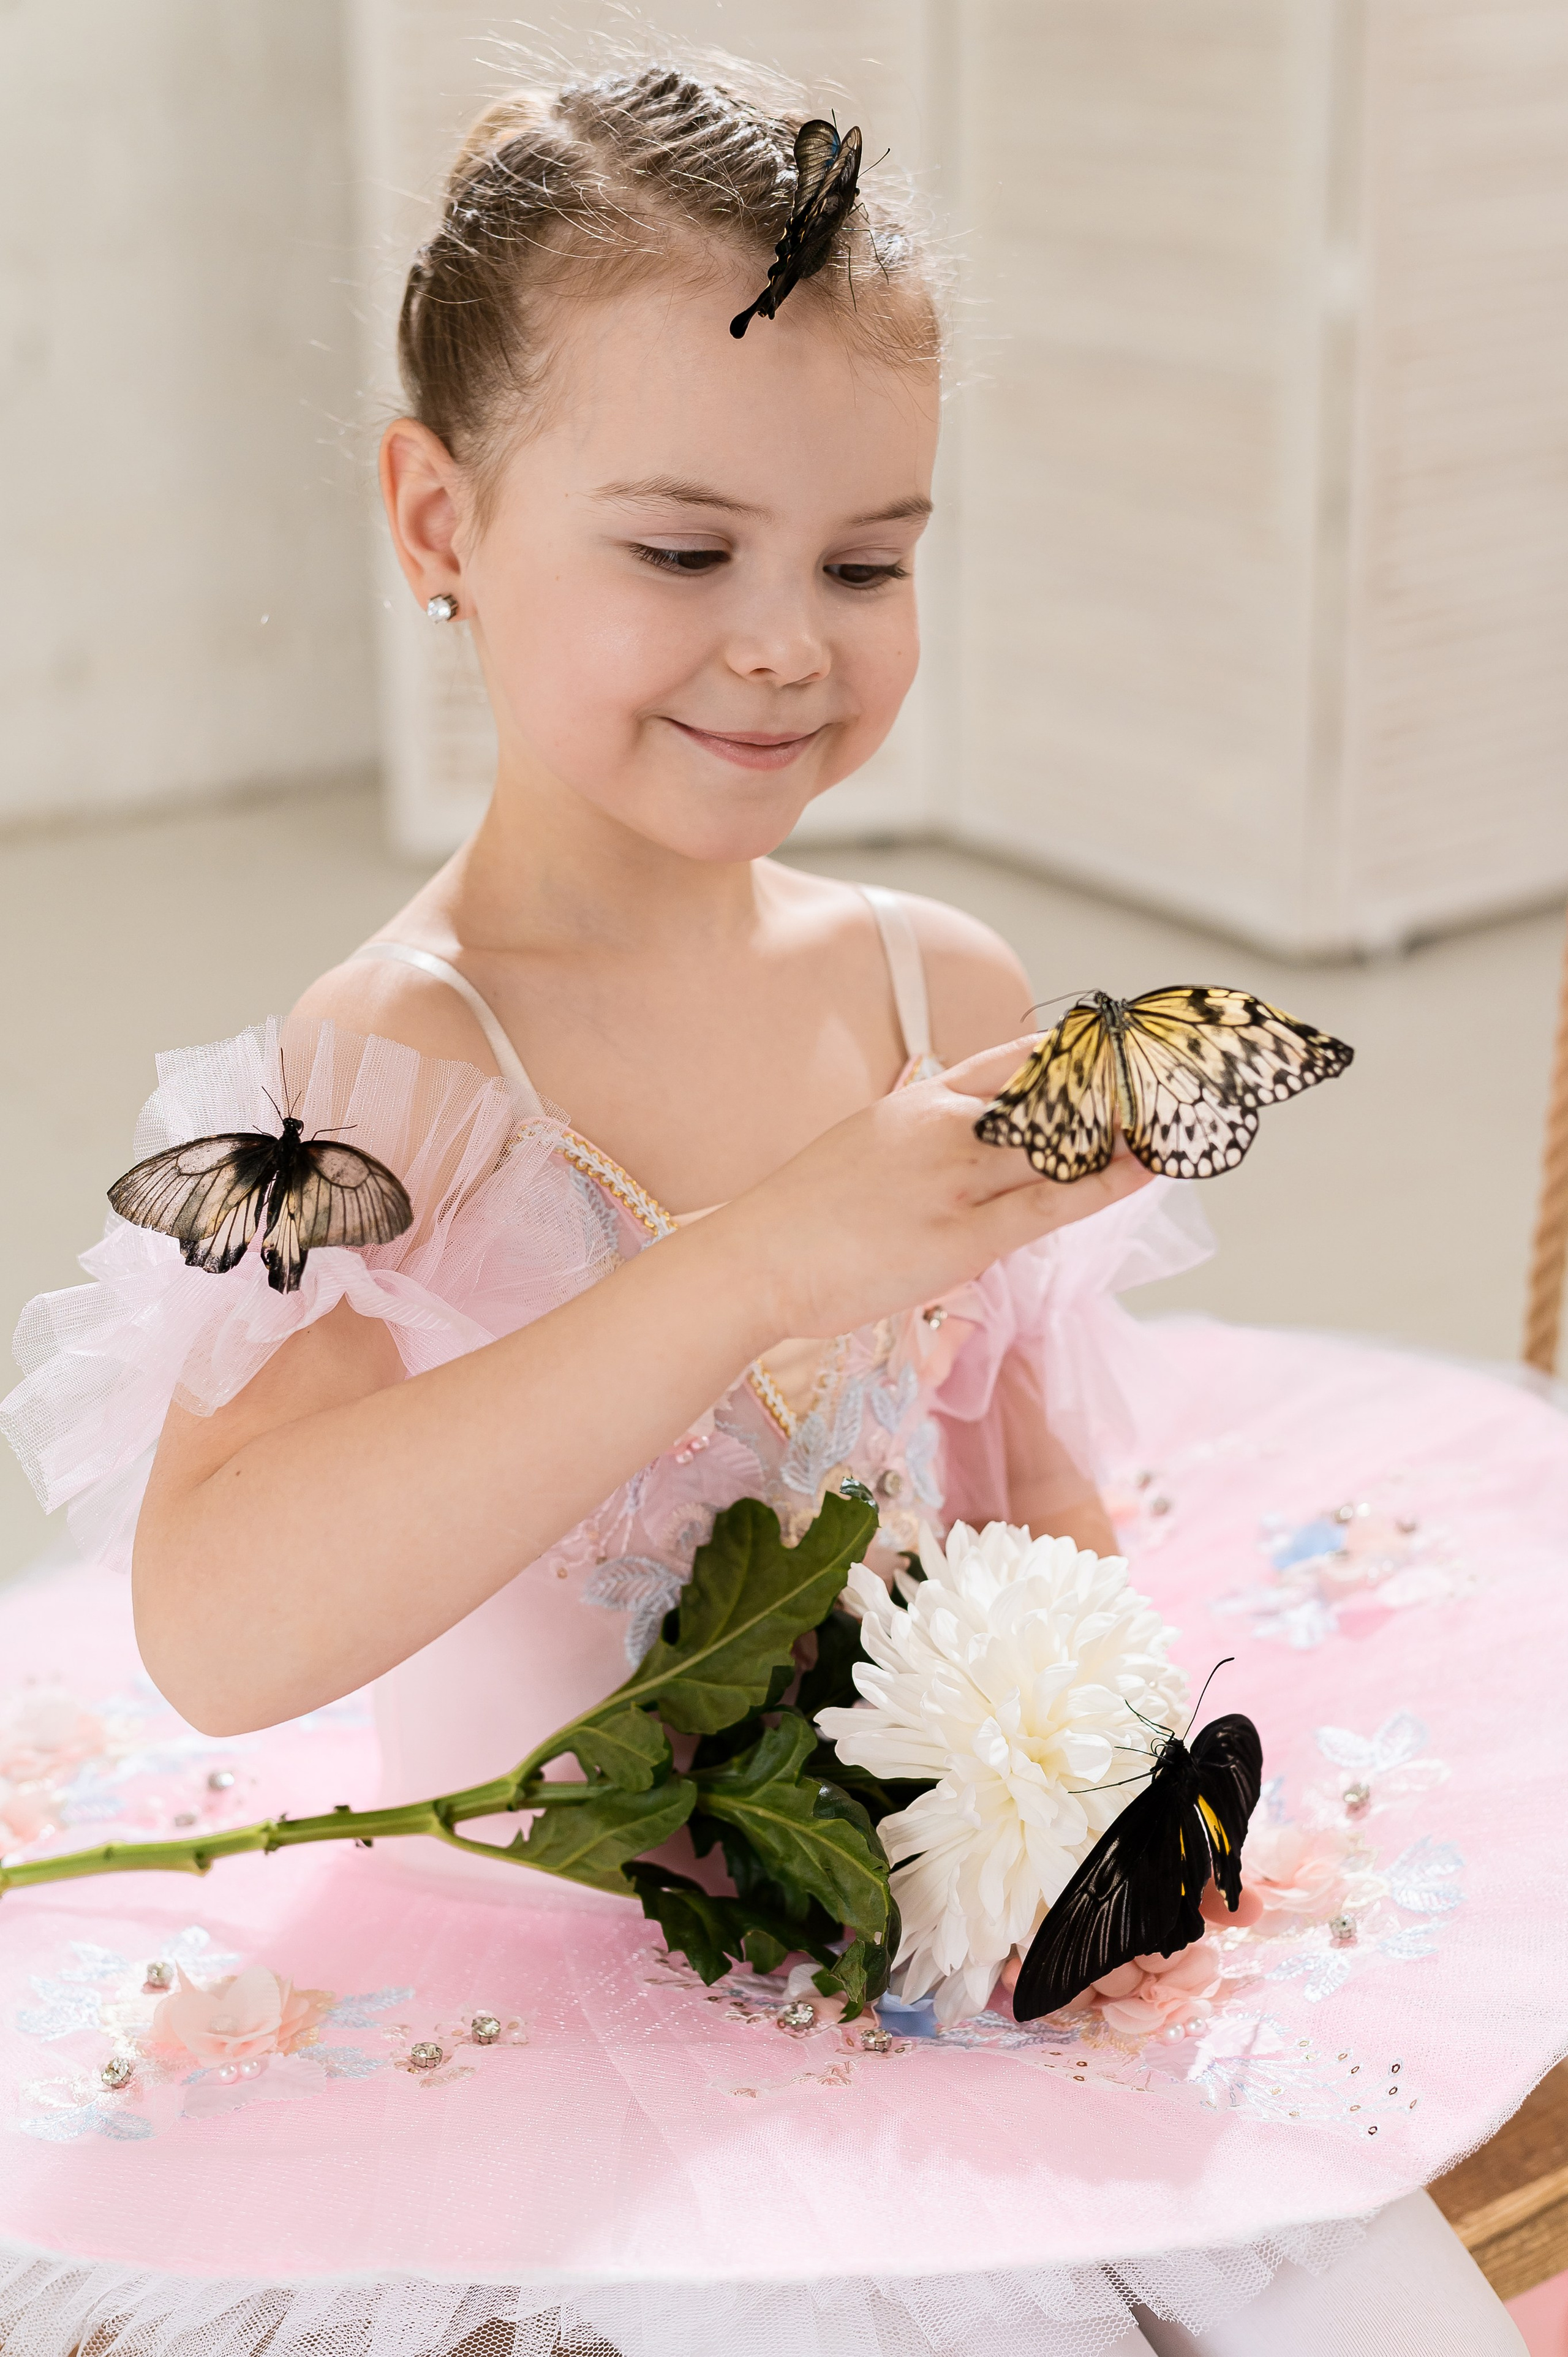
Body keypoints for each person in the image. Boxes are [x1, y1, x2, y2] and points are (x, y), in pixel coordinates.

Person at [0, 59, 1557, 2357]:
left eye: (868, 559)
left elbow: (1026, 1480)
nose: (787, 643)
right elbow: (224, 1627)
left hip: (920, 1959)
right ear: (438, 518)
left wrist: (1081, 1800)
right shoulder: (391, 1075)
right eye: (679, 548)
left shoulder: (944, 992)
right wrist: (774, 1254)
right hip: (538, 1982)